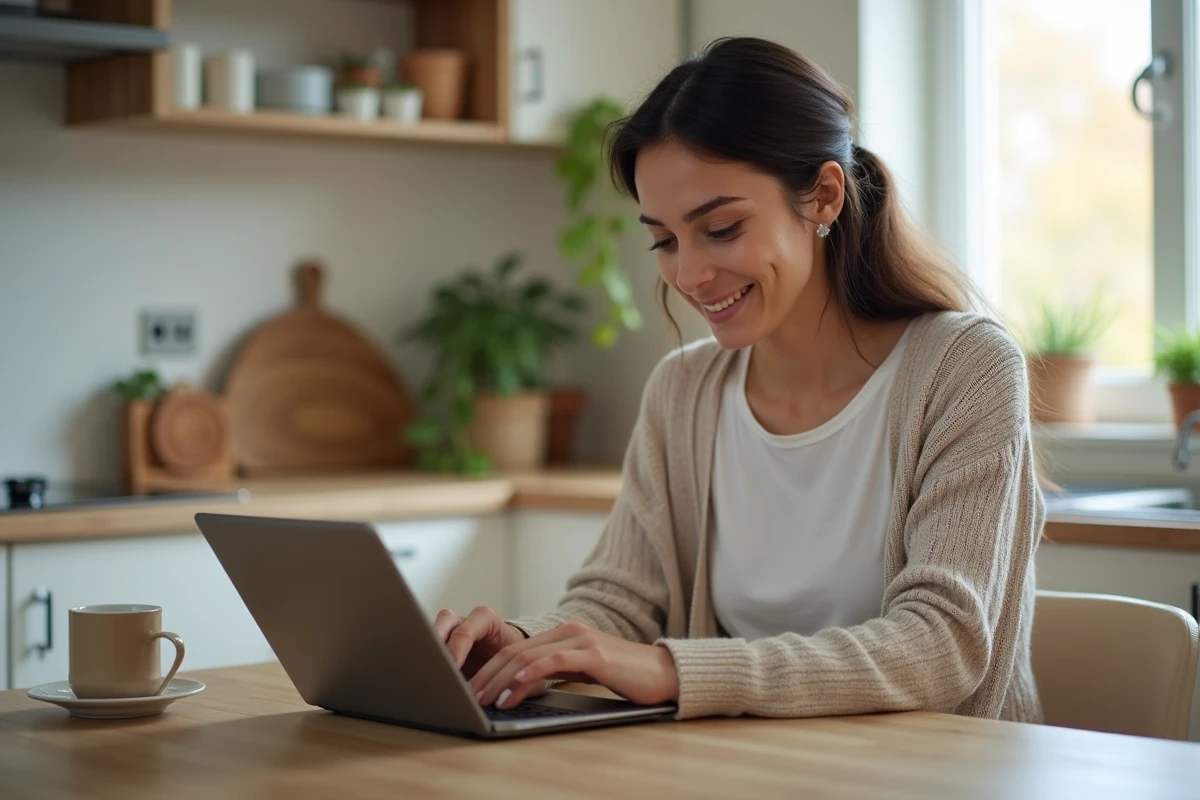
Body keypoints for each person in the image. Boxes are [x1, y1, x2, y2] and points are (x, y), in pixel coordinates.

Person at [434, 36, 1044, 723]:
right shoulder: (684, 390)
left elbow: (941, 645)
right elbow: (620, 603)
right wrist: (522, 645)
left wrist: (672, 669)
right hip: (747, 774)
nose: (689, 275)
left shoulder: (964, 369)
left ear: (822, 197)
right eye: (664, 240)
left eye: (720, 228)